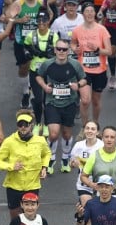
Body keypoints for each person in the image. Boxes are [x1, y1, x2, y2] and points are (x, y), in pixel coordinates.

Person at [36, 37, 88, 174]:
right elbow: (38, 76)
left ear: (68, 51)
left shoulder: (75, 65)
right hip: (52, 102)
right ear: (54, 50)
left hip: (69, 103)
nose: (61, 52)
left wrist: (78, 85)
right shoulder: (47, 64)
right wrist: (44, 86)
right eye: (58, 49)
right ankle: (51, 158)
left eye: (64, 49)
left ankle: (65, 158)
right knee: (53, 134)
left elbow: (84, 79)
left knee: (66, 134)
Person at [0, 110, 51, 225]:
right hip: (14, 185)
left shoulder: (40, 141)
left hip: (32, 184)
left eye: (26, 124)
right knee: (15, 217)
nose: (23, 127)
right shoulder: (9, 141)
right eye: (20, 124)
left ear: (31, 125)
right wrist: (11, 166)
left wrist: (44, 167)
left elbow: (47, 153)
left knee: (30, 215)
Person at [70, 2, 112, 124]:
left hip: (99, 70)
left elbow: (109, 51)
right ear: (82, 13)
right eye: (87, 11)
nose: (89, 14)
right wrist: (74, 48)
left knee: (96, 101)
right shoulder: (77, 30)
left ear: (95, 13)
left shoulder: (102, 30)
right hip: (83, 70)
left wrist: (97, 49)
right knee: (85, 100)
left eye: (91, 11)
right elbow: (72, 43)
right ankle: (85, 127)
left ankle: (95, 123)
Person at [79, 126, 116, 198]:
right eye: (106, 137)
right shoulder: (94, 156)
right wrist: (91, 184)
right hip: (99, 200)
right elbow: (83, 176)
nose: (109, 140)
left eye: (112, 137)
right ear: (102, 138)